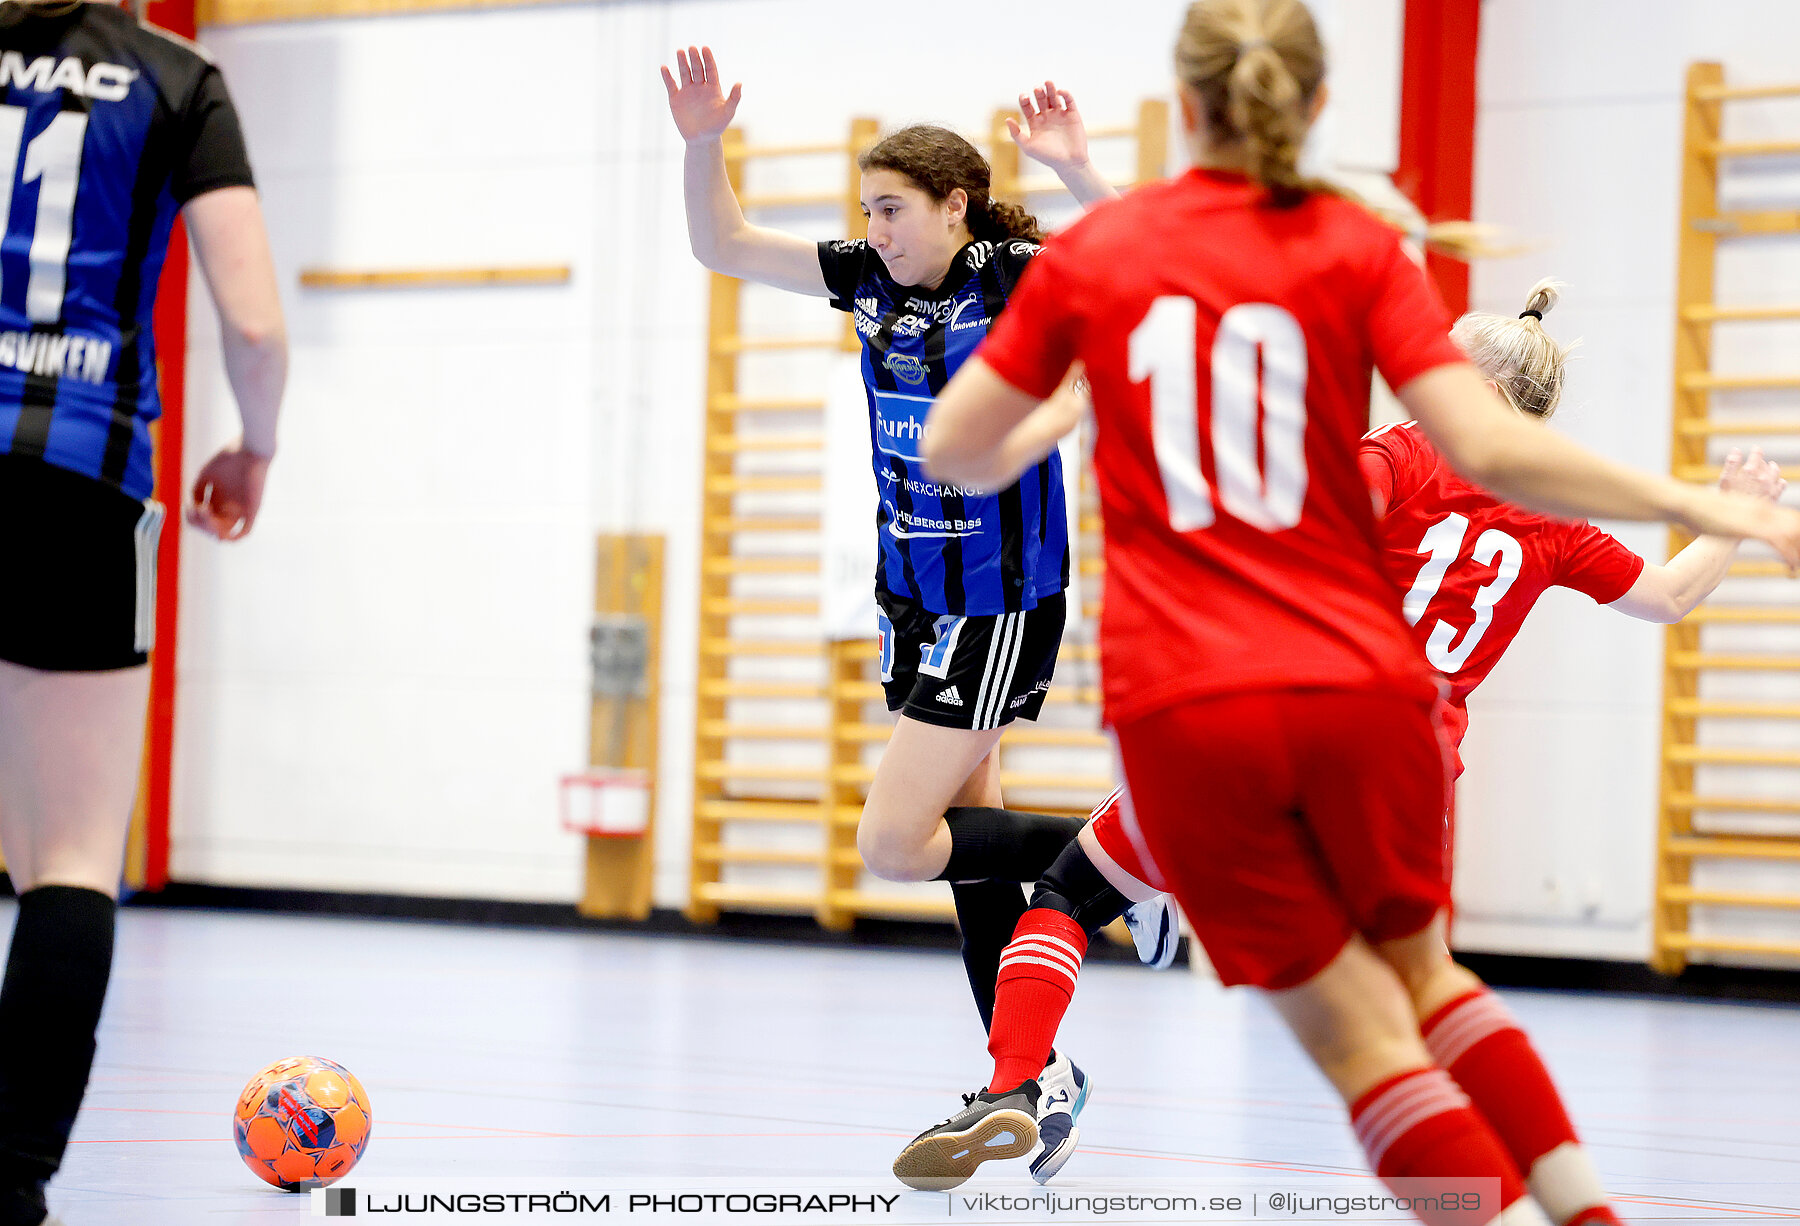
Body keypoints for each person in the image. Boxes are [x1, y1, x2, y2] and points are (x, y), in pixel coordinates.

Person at [916, 2, 1800, 1223]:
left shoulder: (1370, 435)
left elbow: (1022, 413)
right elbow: (1658, 591)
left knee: (1074, 892)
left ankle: (1021, 1069)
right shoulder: (1403, 321)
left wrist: (1080, 406)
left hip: (1218, 693)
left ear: (1189, 101)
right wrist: (1722, 511)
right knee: (1418, 1004)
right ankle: (1579, 1202)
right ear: (1316, 106)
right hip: (1398, 736)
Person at [661, 47, 1174, 1177]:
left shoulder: (1014, 272)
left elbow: (1154, 260)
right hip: (913, 596)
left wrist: (1079, 168)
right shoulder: (871, 280)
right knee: (970, 856)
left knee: (894, 843)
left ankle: (1141, 859)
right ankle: (1025, 1076)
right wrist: (705, 142)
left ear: (955, 205)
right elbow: (722, 244)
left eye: (893, 208)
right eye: (866, 210)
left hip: (997, 600)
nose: (875, 227)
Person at [0, 2, 285, 1222]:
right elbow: (256, 321)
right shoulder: (178, 80)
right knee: (70, 857)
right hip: (80, 469)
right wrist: (254, 447)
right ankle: (8, 1182)